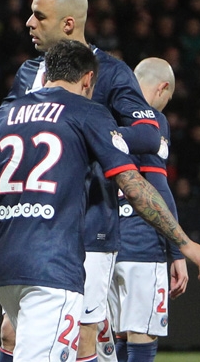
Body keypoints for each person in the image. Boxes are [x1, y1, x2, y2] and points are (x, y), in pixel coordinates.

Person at [0, 0, 160, 362]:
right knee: (11, 331)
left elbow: (148, 134)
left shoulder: (109, 72)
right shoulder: (29, 72)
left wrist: (93, 133)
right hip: (35, 230)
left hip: (90, 225)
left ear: (69, 24)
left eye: (39, 16)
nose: (28, 23)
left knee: (85, 337)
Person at [108, 57, 188, 362]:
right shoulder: (152, 119)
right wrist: (177, 250)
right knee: (141, 331)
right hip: (143, 242)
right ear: (163, 88)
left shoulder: (106, 116)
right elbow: (157, 188)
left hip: (106, 243)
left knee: (114, 334)